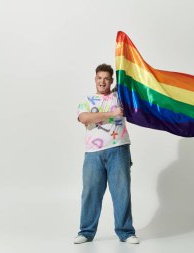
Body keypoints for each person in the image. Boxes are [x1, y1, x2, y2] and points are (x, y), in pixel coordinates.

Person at [74, 63, 139, 244]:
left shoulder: (119, 97)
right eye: (99, 78)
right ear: (95, 79)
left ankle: (126, 232)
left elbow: (132, 82)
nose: (102, 81)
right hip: (93, 153)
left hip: (118, 149)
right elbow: (84, 118)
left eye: (106, 78)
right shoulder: (86, 101)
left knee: (122, 192)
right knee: (90, 193)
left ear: (111, 81)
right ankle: (86, 231)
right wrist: (112, 115)